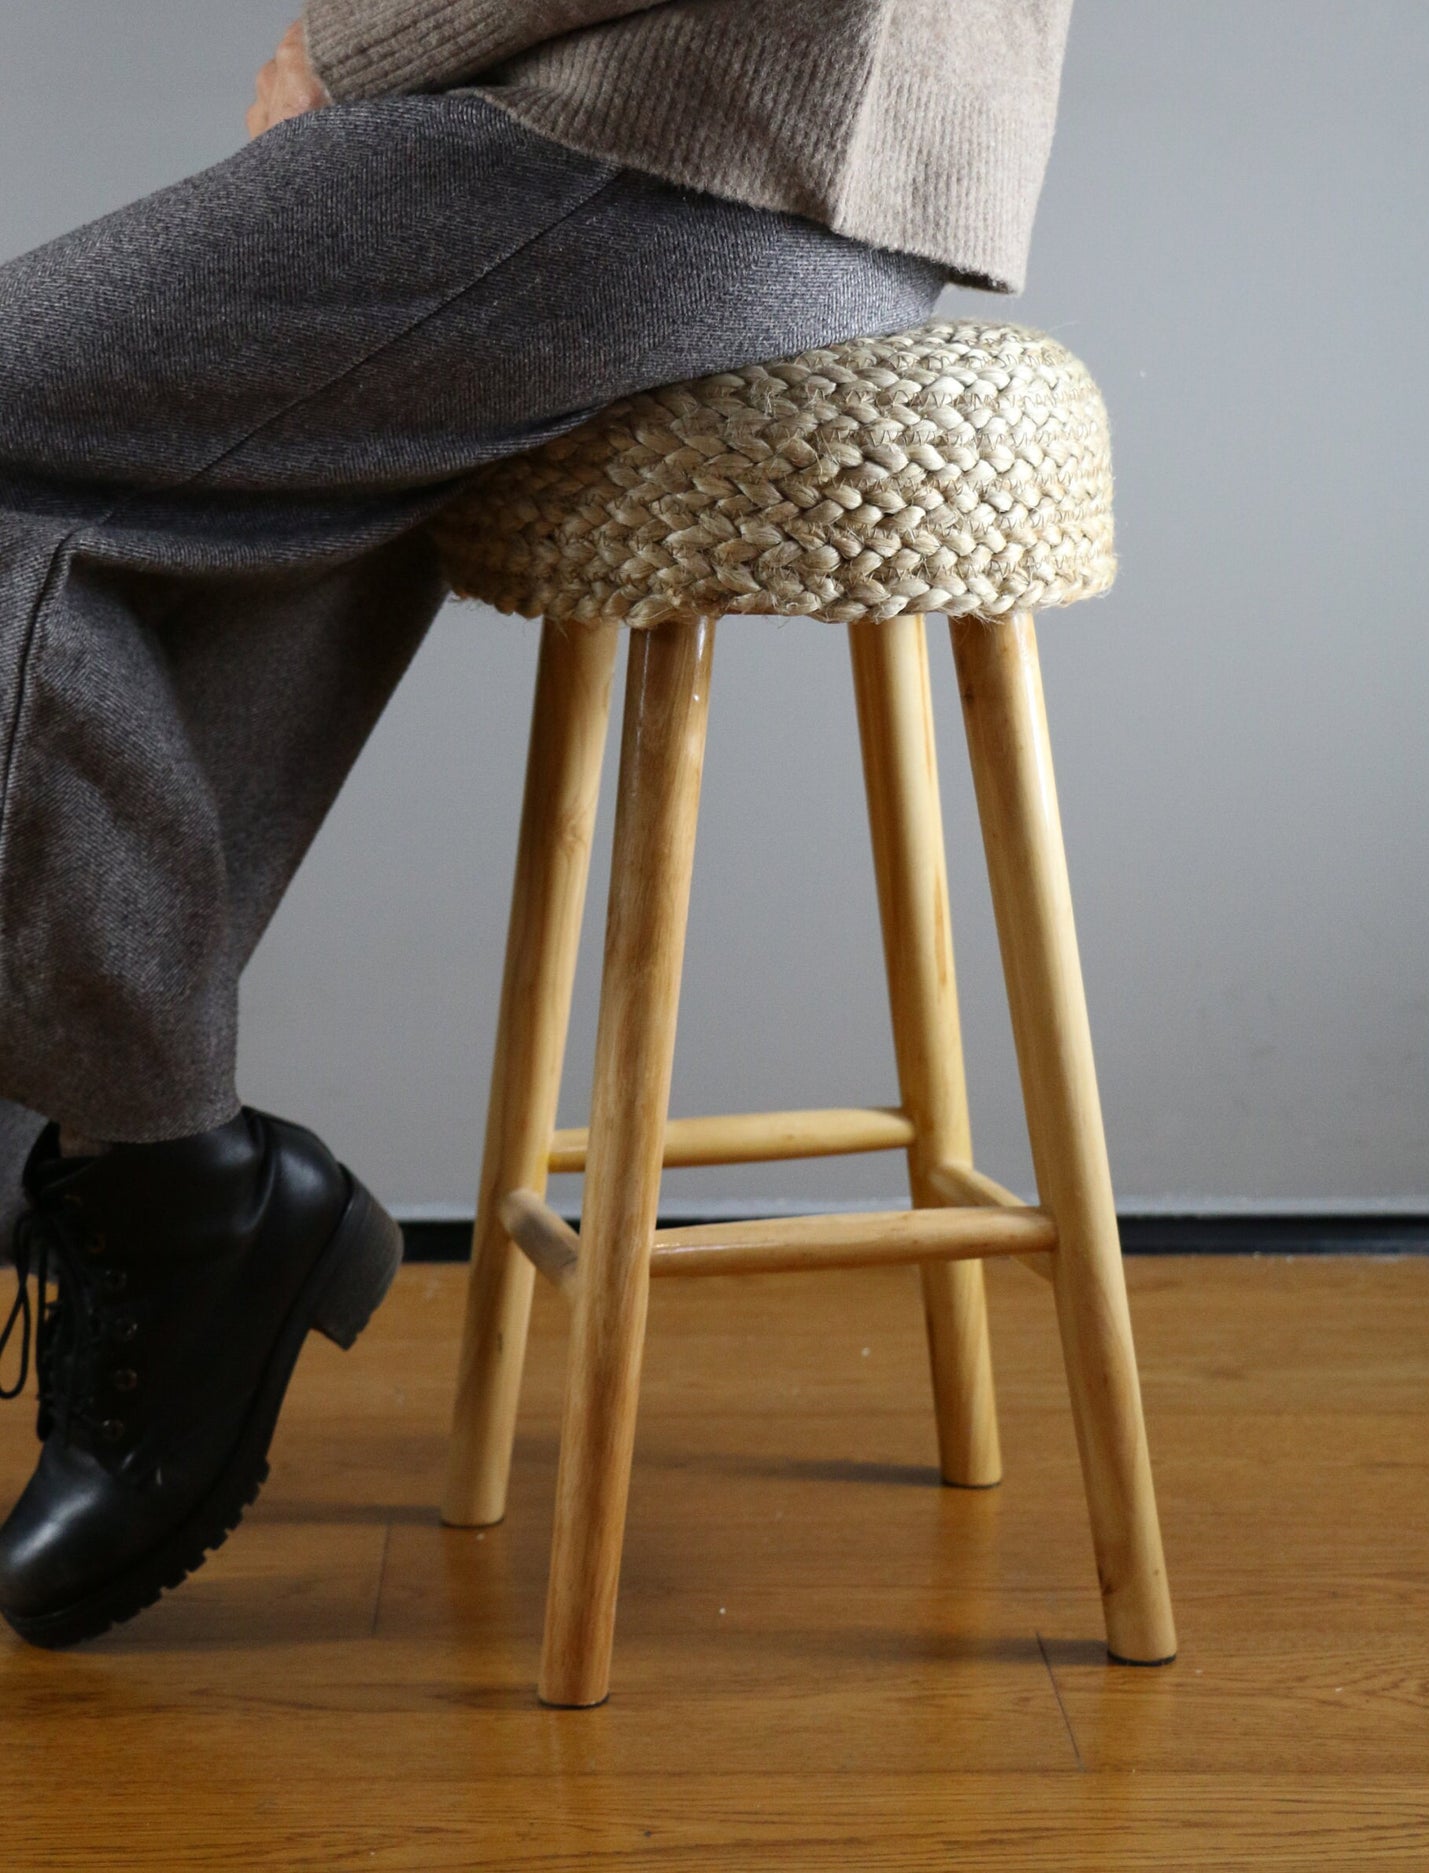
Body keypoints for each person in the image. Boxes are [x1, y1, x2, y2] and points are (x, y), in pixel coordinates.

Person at [0, 0, 1072, 1646]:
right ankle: (121, 1150)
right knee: (170, 499)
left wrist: (352, 43)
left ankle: (169, 1187)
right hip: (781, 161)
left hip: (668, 134)